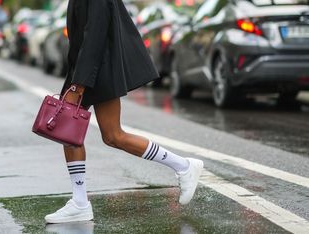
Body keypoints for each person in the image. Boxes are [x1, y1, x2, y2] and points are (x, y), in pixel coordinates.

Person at [44, 0, 204, 224]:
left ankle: (184, 166)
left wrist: (78, 84)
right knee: (68, 130)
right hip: (85, 69)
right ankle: (79, 202)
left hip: (97, 70)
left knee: (113, 135)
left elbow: (95, 36)